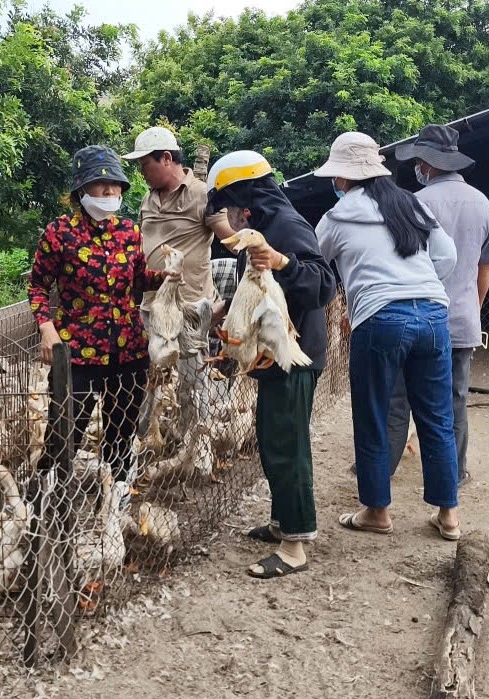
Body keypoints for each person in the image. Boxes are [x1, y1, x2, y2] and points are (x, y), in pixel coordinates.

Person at [313, 131, 461, 540]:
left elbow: (314, 264)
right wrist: (420, 284)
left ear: (341, 179)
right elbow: (446, 256)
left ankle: (377, 511)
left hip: (379, 319)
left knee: (374, 413)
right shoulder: (409, 203)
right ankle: (448, 516)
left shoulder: (336, 218)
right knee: (437, 417)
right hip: (432, 314)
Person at [206, 150, 336, 578]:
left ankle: (295, 545)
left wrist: (284, 262)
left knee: (288, 445)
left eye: (226, 202)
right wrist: (225, 310)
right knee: (272, 437)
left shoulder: (286, 226)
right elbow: (255, 285)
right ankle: (283, 522)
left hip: (292, 356)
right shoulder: (260, 226)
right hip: (273, 354)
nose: (226, 213)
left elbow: (323, 285)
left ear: (245, 195)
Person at [28, 145, 172, 485]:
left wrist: (164, 278)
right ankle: (46, 498)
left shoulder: (129, 232)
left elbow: (136, 280)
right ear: (81, 189)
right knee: (65, 430)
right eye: (100, 184)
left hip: (128, 351)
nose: (110, 191)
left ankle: (116, 498)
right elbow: (37, 287)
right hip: (76, 352)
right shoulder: (59, 233)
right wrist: (46, 329)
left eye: (116, 185)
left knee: (122, 433)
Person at [404, 124, 489, 485]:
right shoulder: (483, 203)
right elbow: (485, 268)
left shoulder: (417, 203)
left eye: (418, 160)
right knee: (455, 398)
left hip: (417, 317)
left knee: (401, 395)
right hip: (462, 320)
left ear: (428, 164)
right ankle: (456, 471)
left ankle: (386, 463)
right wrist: (472, 309)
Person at [123, 127, 236, 428]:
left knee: (191, 378)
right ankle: (146, 437)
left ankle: (196, 442)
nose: (141, 172)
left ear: (167, 159)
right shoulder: (148, 199)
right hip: (151, 306)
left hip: (187, 307)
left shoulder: (202, 195)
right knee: (151, 376)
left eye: (145, 165)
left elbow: (231, 237)